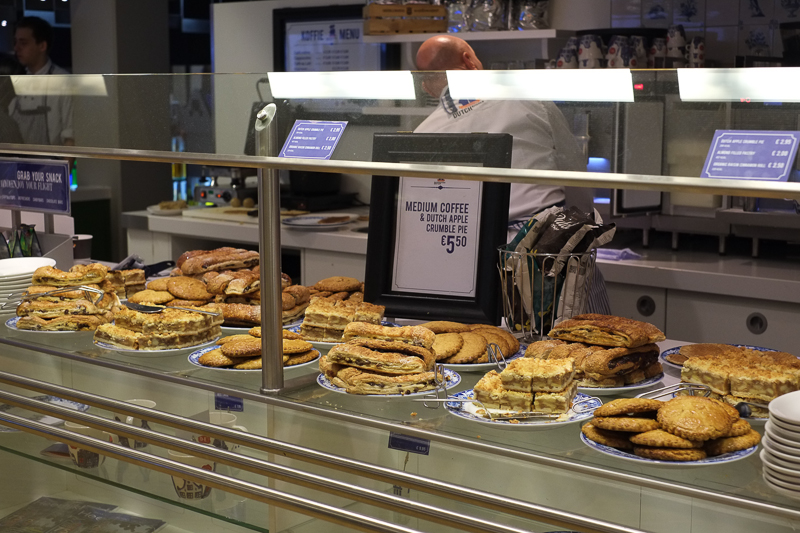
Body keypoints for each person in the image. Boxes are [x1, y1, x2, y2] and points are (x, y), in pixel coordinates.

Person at [414, 35, 610, 314]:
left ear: (426, 87)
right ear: (469, 61)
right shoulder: (526, 99)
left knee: (495, 350)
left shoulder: (423, 132)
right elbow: (575, 173)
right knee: (587, 347)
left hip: (465, 258)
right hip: (548, 247)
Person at [9, 16, 74, 146]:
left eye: (23, 43)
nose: (17, 48)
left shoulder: (64, 82)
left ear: (42, 46)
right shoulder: (15, 81)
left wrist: (61, 166)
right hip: (15, 162)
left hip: (50, 163)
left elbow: (70, 138)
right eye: (15, 42)